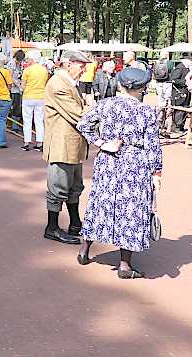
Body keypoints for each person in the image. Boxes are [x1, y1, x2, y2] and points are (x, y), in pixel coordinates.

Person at [75, 68, 163, 279]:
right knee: (131, 209)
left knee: (99, 203)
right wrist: (156, 173)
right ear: (141, 88)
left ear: (121, 85)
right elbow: (153, 146)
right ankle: (125, 265)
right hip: (135, 163)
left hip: (108, 161)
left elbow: (83, 124)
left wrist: (102, 143)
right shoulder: (146, 112)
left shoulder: (105, 104)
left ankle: (84, 252)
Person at [43, 50, 90, 245]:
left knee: (75, 186)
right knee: (58, 187)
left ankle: (75, 223)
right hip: (62, 144)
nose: (84, 70)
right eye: (81, 66)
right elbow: (78, 114)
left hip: (72, 144)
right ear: (69, 64)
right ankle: (52, 227)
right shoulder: (58, 84)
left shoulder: (69, 83)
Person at [21, 50, 48, 151]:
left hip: (28, 97)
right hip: (41, 97)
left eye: (28, 59)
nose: (27, 61)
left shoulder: (27, 70)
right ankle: (39, 143)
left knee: (27, 120)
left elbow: (23, 85)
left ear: (32, 59)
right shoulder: (44, 70)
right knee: (39, 120)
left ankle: (26, 142)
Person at [169, 54, 192, 133]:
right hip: (179, 92)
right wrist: (185, 83)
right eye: (190, 60)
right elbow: (174, 79)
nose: (191, 62)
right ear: (186, 60)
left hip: (184, 91)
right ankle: (176, 127)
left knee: (184, 109)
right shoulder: (180, 68)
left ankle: (180, 126)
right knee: (179, 109)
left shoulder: (186, 68)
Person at [152, 52, 172, 131]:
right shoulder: (170, 63)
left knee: (160, 101)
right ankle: (167, 125)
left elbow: (154, 73)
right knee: (168, 101)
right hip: (167, 83)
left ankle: (159, 119)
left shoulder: (156, 63)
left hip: (158, 83)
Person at [7, 50, 26, 132]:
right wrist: (19, 85)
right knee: (15, 106)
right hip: (13, 88)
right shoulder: (12, 63)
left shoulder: (18, 63)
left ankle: (15, 124)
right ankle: (14, 125)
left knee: (17, 106)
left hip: (17, 88)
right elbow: (10, 77)